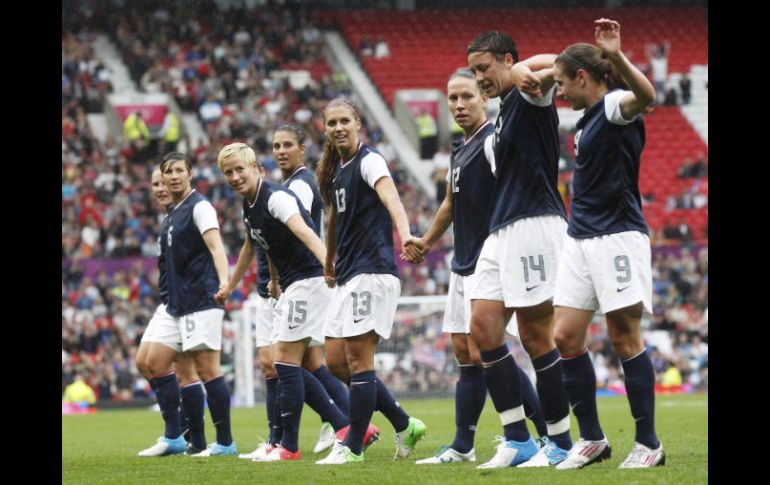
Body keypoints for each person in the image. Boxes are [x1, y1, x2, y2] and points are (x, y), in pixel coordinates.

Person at [405, 68, 550, 465]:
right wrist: (427, 241)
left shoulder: (491, 143)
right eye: (452, 98)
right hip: (462, 259)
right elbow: (451, 205)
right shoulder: (460, 147)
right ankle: (463, 446)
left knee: (484, 347)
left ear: (483, 99)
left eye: (467, 96)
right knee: (464, 351)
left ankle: (541, 437)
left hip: (491, 259)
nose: (459, 104)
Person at [548, 19, 663, 469]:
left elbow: (648, 97)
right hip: (580, 237)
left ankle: (649, 443)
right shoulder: (584, 120)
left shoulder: (614, 104)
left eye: (562, 83)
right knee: (565, 336)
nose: (557, 92)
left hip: (617, 235)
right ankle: (593, 439)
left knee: (623, 336)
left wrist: (615, 55)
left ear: (583, 77)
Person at [466, 32, 573, 468]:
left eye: (484, 68)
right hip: (501, 230)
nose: (479, 78)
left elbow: (566, 58)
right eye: (474, 71)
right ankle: (518, 439)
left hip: (535, 224)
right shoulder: (504, 113)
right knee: (483, 327)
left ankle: (561, 442)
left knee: (534, 336)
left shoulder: (530, 95)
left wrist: (523, 69)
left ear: (507, 60)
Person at [215, 142, 350, 462]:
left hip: (309, 281)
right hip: (292, 285)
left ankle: (297, 443)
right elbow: (261, 245)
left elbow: (304, 231)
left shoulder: (274, 197)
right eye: (228, 172)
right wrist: (242, 283)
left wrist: (328, 264)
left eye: (239, 169)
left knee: (286, 362)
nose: (235, 176)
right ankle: (338, 428)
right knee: (287, 363)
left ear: (256, 169)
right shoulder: (251, 205)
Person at [315, 98, 426, 464]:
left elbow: (391, 198)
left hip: (373, 271)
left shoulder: (370, 160)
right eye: (332, 122)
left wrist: (406, 233)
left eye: (344, 120)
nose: (338, 127)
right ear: (326, 128)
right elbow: (334, 222)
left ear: (357, 122)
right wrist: (329, 261)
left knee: (360, 361)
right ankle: (404, 423)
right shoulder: (336, 172)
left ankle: (353, 447)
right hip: (348, 274)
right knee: (336, 362)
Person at [161, 151, 236, 457]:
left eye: (180, 170)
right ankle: (199, 440)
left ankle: (226, 442)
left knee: (208, 370)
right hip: (182, 302)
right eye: (169, 171)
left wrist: (224, 281)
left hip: (202, 297)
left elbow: (216, 246)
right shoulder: (173, 212)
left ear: (190, 173)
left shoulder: (199, 206)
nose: (174, 175)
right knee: (185, 368)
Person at [136, 168, 207, 457]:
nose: (160, 188)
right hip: (169, 301)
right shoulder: (169, 219)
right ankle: (183, 430)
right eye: (154, 184)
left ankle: (182, 435)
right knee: (144, 362)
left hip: (188, 302)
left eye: (164, 182)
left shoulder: (190, 212)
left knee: (175, 367)